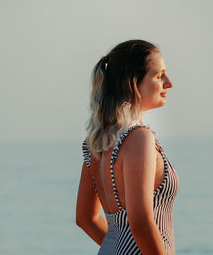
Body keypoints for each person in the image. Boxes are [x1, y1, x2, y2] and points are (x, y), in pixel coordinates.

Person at [75, 39, 180, 255]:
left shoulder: (99, 141)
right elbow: (140, 222)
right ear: (132, 82)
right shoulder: (139, 138)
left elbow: (86, 218)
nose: (169, 83)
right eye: (159, 75)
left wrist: (120, 248)